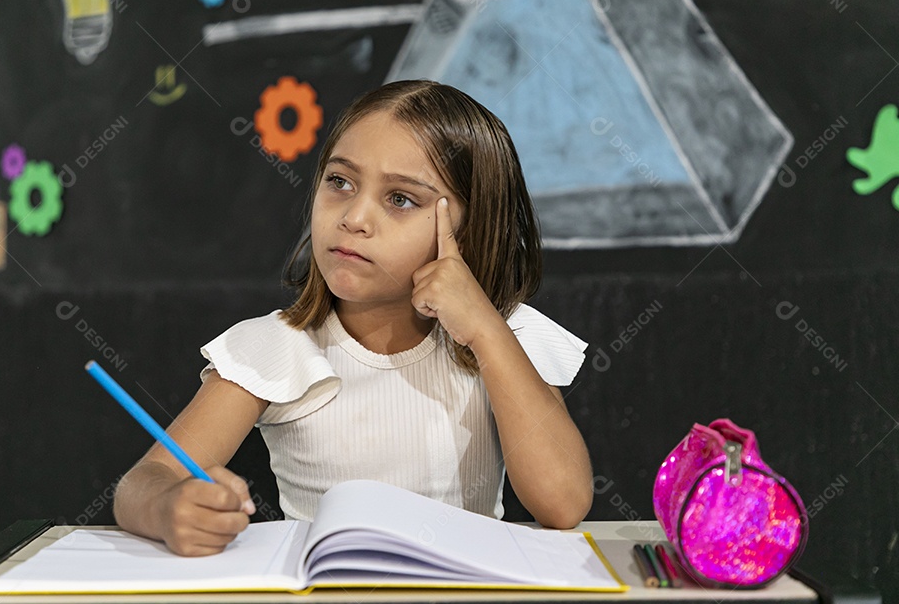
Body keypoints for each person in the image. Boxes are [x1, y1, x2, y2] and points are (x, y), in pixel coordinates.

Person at [113, 80, 593, 556]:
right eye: (340, 182)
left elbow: (563, 503)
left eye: (400, 199)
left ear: (467, 233)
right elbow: (143, 483)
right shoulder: (277, 346)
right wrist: (169, 505)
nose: (354, 217)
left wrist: (486, 329)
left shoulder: (507, 339)